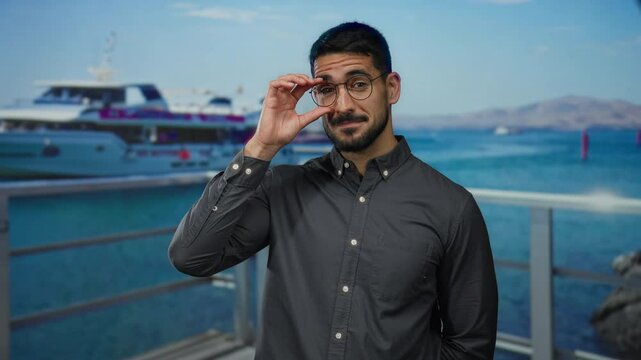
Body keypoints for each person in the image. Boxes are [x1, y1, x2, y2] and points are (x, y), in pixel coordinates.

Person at [169, 22, 498, 360]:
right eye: (326, 90)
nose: (342, 106)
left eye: (358, 84)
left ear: (392, 87)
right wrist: (261, 147)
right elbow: (191, 256)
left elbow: (469, 349)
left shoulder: (452, 207)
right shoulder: (281, 188)